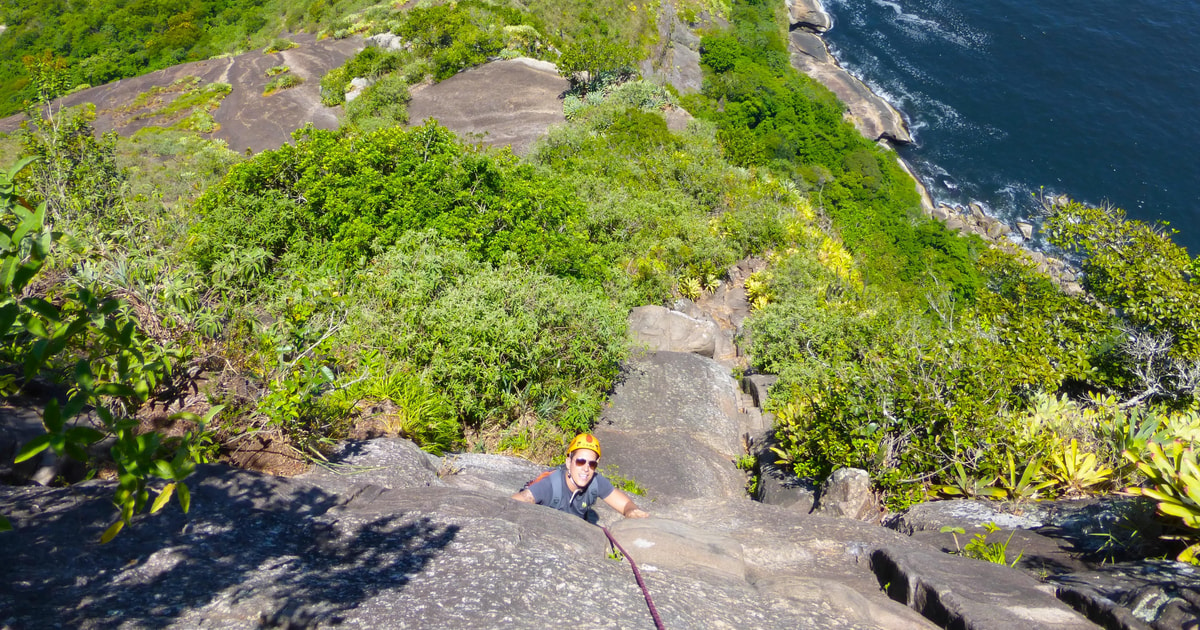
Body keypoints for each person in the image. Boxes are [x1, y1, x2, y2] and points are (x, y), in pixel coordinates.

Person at [511, 433, 649, 522]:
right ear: (569, 462)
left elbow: (625, 504)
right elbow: (520, 499)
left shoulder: (595, 482)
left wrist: (631, 511)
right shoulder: (551, 485)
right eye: (580, 461)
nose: (586, 468)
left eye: (592, 463)